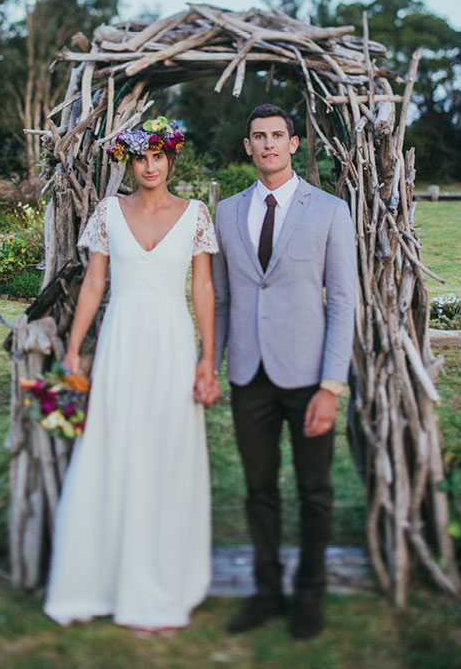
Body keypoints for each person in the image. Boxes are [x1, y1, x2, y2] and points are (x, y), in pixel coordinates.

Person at [44, 116, 221, 634]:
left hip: (171, 342)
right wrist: (75, 348)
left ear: (171, 160)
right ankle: (96, 579)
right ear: (129, 161)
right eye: (140, 157)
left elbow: (203, 291)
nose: (149, 166)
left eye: (158, 156)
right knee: (112, 446)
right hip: (121, 341)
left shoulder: (196, 215)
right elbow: (95, 285)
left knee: (167, 451)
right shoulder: (108, 212)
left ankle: (164, 581)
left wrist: (208, 359)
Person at [212, 103, 357, 640]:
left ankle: (310, 595)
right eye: (258, 136)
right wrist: (212, 364)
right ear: (247, 146)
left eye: (278, 135)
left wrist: (331, 386)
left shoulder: (329, 211)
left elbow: (343, 301)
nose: (268, 144)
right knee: (259, 491)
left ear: (294, 144)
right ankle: (267, 590)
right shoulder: (226, 212)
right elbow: (223, 300)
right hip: (248, 376)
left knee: (315, 491)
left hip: (308, 378)